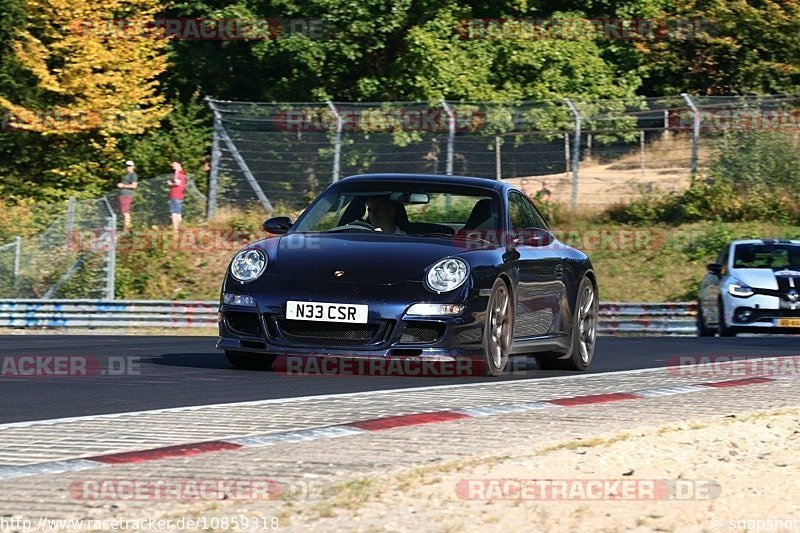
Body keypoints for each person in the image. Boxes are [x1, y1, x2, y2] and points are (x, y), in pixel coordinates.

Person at [116, 160, 138, 231]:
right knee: (123, 212)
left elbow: (134, 186)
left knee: (126, 212)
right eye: (127, 166)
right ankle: (125, 228)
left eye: (129, 166)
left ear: (133, 167)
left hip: (127, 195)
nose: (128, 167)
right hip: (122, 195)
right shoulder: (126, 175)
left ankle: (126, 229)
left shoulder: (133, 175)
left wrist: (123, 186)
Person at [167, 159, 187, 230]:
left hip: (176, 195)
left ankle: (176, 229)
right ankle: (179, 228)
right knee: (177, 212)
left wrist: (171, 183)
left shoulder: (180, 173)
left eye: (173, 164)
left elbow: (178, 183)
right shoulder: (181, 173)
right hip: (177, 196)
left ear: (178, 164)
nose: (172, 165)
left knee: (174, 213)